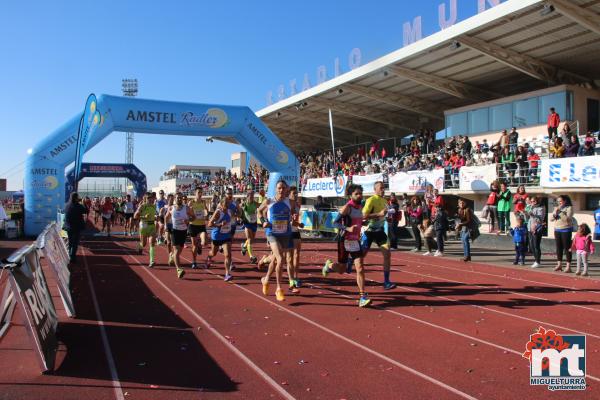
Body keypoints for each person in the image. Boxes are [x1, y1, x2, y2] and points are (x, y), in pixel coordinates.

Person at [323, 184, 371, 307]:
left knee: (360, 267)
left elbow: (359, 220)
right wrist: (348, 228)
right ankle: (329, 265)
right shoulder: (347, 207)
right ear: (351, 195)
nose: (359, 196)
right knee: (342, 270)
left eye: (360, 193)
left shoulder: (361, 206)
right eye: (357, 194)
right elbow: (334, 223)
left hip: (355, 241)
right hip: (344, 241)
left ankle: (362, 297)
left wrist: (365, 222)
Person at [259, 180, 292, 301]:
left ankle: (266, 279)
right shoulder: (269, 201)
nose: (281, 190)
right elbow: (259, 211)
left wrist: (293, 218)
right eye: (279, 188)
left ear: (286, 189)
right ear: (276, 189)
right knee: (280, 259)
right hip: (272, 233)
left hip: (284, 233)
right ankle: (279, 288)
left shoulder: (289, 202)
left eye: (283, 188)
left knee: (274, 259)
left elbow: (292, 215)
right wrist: (263, 222)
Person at [362, 181, 395, 290]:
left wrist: (388, 218)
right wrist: (378, 214)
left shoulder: (385, 201)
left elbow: (384, 215)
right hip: (369, 231)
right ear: (375, 189)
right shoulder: (371, 200)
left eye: (384, 188)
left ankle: (386, 282)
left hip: (380, 231)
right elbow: (363, 216)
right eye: (381, 188)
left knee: (387, 254)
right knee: (360, 256)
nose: (383, 189)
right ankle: (347, 263)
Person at [164, 193, 195, 279]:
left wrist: (188, 220)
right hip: (175, 231)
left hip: (183, 231)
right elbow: (166, 217)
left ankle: (172, 256)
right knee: (177, 251)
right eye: (178, 198)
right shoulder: (171, 208)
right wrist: (166, 226)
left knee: (179, 250)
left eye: (180, 198)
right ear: (175, 199)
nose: (179, 199)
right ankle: (179, 269)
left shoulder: (187, 208)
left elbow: (193, 217)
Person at [207, 197, 234, 282]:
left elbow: (232, 220)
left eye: (228, 203)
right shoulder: (218, 212)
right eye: (225, 203)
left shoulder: (230, 212)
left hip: (226, 236)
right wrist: (219, 224)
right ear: (221, 204)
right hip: (217, 236)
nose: (227, 205)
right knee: (213, 253)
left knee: (228, 255)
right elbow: (209, 224)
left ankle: (227, 274)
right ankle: (209, 257)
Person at [286, 186, 303, 293]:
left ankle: (296, 277)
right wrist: (299, 223)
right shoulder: (286, 205)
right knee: (289, 258)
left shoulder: (298, 205)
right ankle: (291, 280)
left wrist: (299, 223)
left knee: (297, 255)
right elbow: (291, 222)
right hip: (287, 232)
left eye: (297, 193)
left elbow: (296, 219)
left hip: (296, 231)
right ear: (289, 195)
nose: (296, 195)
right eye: (293, 193)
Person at [134, 192, 158, 268]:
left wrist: (156, 217)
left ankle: (152, 261)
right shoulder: (142, 206)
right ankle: (139, 246)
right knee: (144, 244)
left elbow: (154, 215)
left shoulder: (154, 206)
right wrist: (144, 216)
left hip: (152, 226)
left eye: (151, 198)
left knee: (152, 243)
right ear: (145, 199)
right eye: (148, 198)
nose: (150, 199)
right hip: (144, 225)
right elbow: (135, 216)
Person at [552, 195, 574, 273]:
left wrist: (560, 212)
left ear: (565, 201)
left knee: (567, 248)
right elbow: (551, 219)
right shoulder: (556, 208)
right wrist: (555, 213)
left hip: (566, 229)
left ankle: (568, 266)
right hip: (557, 229)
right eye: (558, 201)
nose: (559, 203)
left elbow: (567, 220)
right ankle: (559, 264)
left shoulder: (569, 208)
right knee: (558, 248)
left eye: (560, 201)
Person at [188, 188, 208, 269]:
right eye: (198, 192)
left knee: (204, 242)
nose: (200, 194)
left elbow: (206, 210)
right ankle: (194, 261)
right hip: (193, 225)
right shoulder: (191, 202)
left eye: (201, 192)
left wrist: (206, 214)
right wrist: (191, 215)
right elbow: (187, 212)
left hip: (201, 225)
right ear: (195, 193)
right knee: (194, 246)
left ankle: (200, 244)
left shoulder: (203, 202)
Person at [64, 192, 87, 264]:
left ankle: (69, 255)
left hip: (68, 227)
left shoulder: (66, 205)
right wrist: (84, 203)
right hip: (76, 227)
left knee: (70, 242)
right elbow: (86, 211)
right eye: (78, 197)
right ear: (75, 198)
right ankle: (72, 258)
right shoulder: (78, 206)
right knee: (75, 243)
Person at [525, 196, 546, 268]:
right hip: (530, 227)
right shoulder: (531, 207)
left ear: (537, 201)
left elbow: (540, 219)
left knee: (536, 245)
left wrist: (533, 215)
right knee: (531, 245)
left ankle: (538, 261)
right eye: (531, 201)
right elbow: (528, 218)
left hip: (537, 228)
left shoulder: (541, 208)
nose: (532, 203)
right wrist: (525, 213)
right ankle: (535, 259)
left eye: (534, 201)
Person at [241, 190, 259, 264]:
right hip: (247, 223)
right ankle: (251, 257)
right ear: (247, 196)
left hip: (254, 223)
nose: (252, 197)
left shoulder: (255, 203)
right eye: (250, 195)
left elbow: (261, 206)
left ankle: (244, 246)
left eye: (253, 195)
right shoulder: (244, 204)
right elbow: (240, 210)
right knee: (249, 239)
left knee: (252, 239)